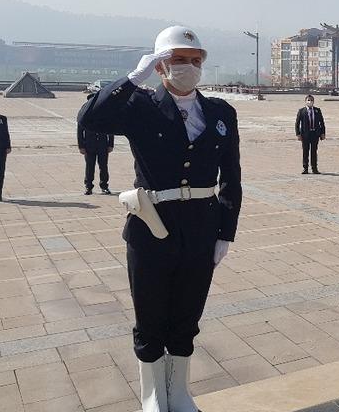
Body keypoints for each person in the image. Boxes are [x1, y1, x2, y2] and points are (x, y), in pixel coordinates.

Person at [78, 26, 242, 412]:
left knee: (188, 312)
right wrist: (134, 79)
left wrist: (226, 232)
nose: (188, 67)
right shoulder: (140, 106)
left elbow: (232, 176)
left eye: (195, 60)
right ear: (160, 64)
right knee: (150, 313)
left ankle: (180, 393)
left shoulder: (220, 112)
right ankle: (152, 396)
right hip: (151, 226)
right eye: (178, 59)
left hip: (202, 226)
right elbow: (91, 118)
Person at [78, 95, 114, 195]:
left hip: (103, 144)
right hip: (89, 144)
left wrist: (110, 144)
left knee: (103, 166)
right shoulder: (84, 112)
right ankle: (88, 187)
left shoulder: (104, 112)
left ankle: (104, 186)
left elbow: (110, 128)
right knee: (90, 166)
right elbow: (80, 130)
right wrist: (81, 145)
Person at [295, 95, 325, 174]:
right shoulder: (301, 111)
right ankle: (305, 168)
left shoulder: (317, 110)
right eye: (308, 100)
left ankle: (314, 168)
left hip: (315, 134)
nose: (310, 101)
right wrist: (298, 134)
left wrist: (322, 133)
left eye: (311, 100)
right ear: (305, 101)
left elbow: (321, 122)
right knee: (305, 152)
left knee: (314, 152)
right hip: (305, 135)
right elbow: (297, 123)